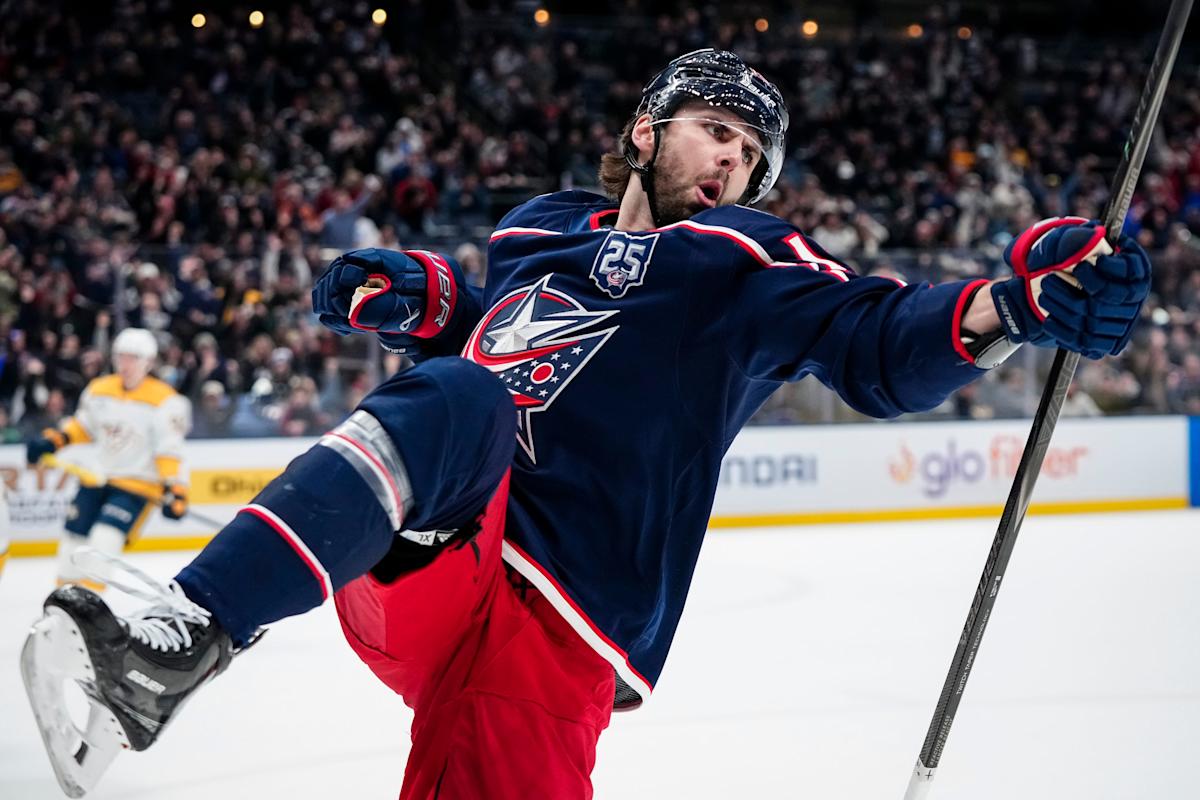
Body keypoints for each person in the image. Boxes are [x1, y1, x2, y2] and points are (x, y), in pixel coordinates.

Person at [21, 50, 1151, 799]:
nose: (734, 163)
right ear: (645, 131)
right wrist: (426, 299)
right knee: (464, 393)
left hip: (565, 628)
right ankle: (180, 641)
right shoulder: (535, 232)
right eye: (717, 132)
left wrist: (1013, 305)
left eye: (752, 156)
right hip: (443, 557)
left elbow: (877, 344)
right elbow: (490, 341)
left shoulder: (747, 267)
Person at [24, 327, 193, 591]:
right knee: (72, 540)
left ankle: (91, 606)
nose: (125, 364)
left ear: (148, 362)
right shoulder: (99, 389)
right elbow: (83, 427)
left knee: (105, 540)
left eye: (132, 358)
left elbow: (169, 450)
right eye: (120, 357)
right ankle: (63, 602)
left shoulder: (166, 401)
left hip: (136, 485)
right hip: (97, 477)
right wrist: (54, 440)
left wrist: (177, 489)